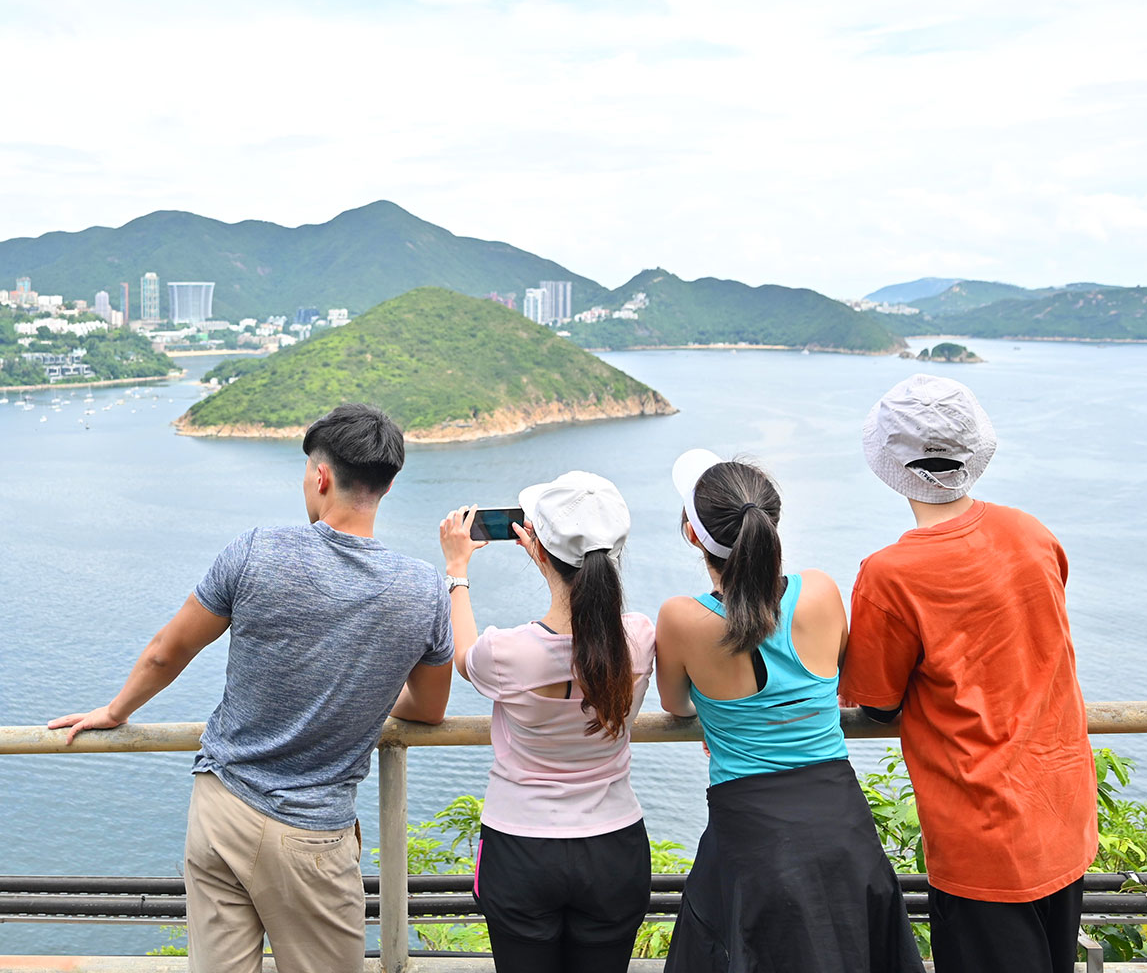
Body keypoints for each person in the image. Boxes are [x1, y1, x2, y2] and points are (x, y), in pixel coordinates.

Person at [48, 403, 454, 973]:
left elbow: (169, 650)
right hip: (313, 832)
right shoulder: (424, 590)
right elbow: (432, 710)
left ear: (321, 476)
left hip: (221, 806)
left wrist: (116, 710)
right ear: (386, 485)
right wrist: (362, 696)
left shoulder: (257, 550)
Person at [840, 374, 1097, 973]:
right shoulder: (1033, 534)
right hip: (1061, 808)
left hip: (980, 831)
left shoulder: (890, 575)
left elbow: (876, 702)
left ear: (889, 464)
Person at [656, 449, 923, 973]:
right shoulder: (820, 591)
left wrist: (723, 715)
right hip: (839, 819)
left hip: (752, 832)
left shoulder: (682, 619)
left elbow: (675, 704)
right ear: (771, 524)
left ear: (694, 536)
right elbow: (843, 677)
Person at [434, 472, 657, 972]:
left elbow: (463, 654)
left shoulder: (508, 653)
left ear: (535, 547)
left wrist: (457, 569)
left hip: (520, 850)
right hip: (615, 846)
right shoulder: (640, 638)